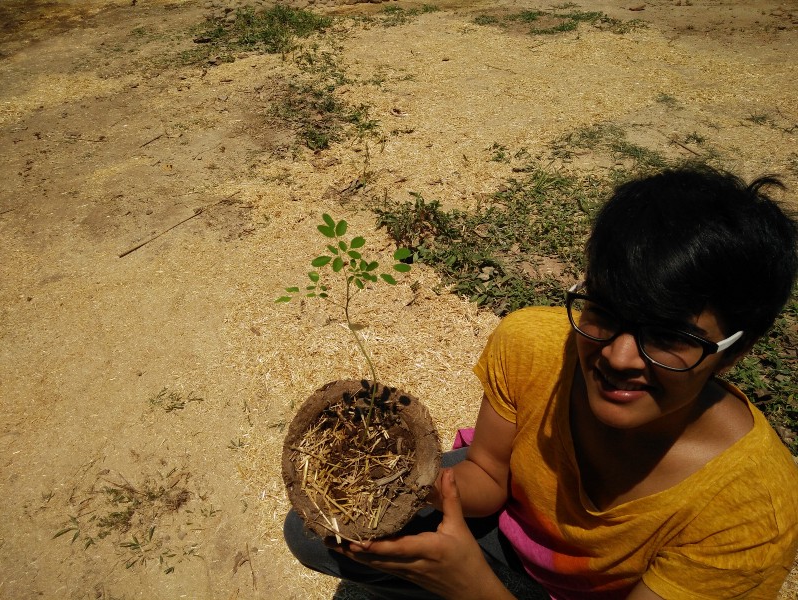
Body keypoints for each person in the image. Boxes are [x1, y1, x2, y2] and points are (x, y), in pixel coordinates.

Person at [284, 166, 798, 599]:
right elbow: (487, 474)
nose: (617, 356)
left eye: (667, 337)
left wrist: (470, 585)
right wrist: (405, 486)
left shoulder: (750, 510)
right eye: (603, 311)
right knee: (314, 534)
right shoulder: (532, 344)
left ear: (735, 353)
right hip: (510, 535)